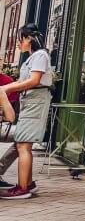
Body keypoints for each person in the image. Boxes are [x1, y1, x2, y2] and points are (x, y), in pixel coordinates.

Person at [0, 25, 52, 200]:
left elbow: (34, 80)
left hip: (35, 100)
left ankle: (22, 188)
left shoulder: (40, 55)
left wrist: (6, 88)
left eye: (20, 39)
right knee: (23, 143)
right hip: (31, 101)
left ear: (29, 38)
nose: (18, 43)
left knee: (23, 145)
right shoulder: (34, 57)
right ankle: (27, 184)